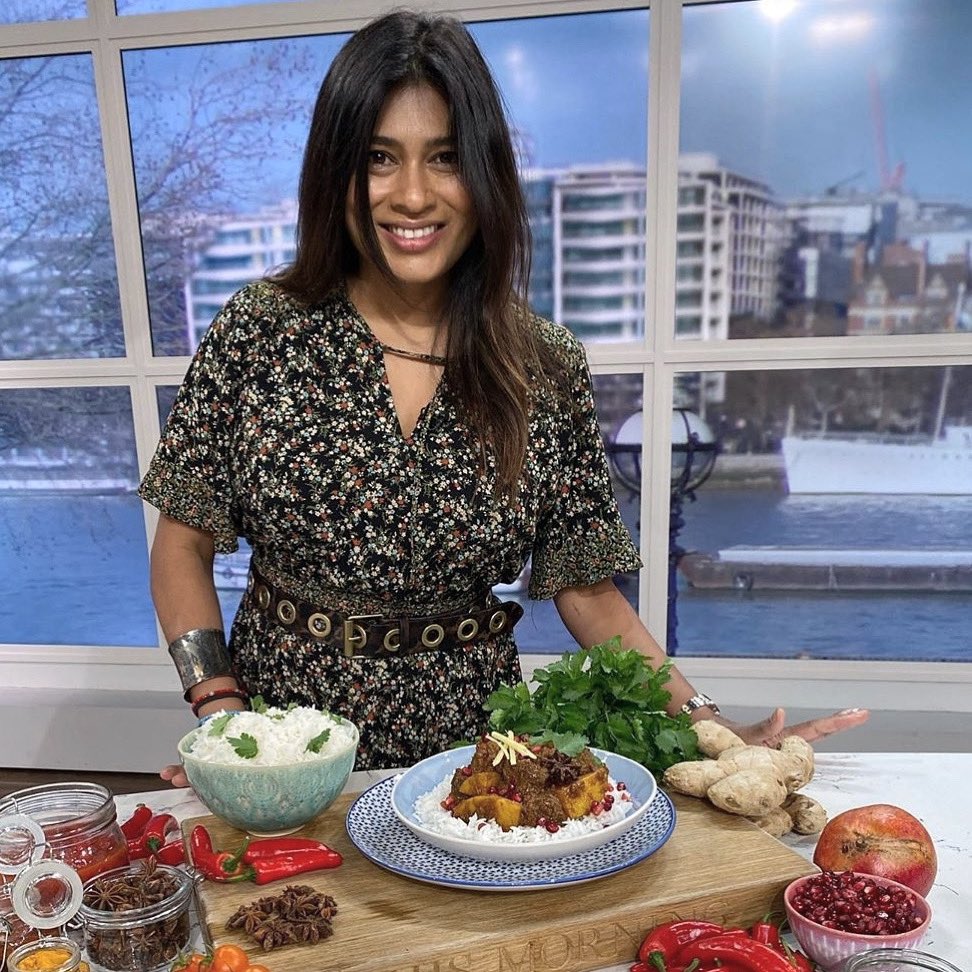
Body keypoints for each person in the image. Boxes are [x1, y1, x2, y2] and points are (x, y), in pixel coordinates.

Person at [139, 10, 868, 782]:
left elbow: (589, 590)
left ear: (485, 175)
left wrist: (707, 726)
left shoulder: (543, 365)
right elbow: (179, 542)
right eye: (380, 158)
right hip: (290, 752)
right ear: (336, 173)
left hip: (473, 761)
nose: (412, 195)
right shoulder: (263, 331)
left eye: (445, 158)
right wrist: (223, 719)